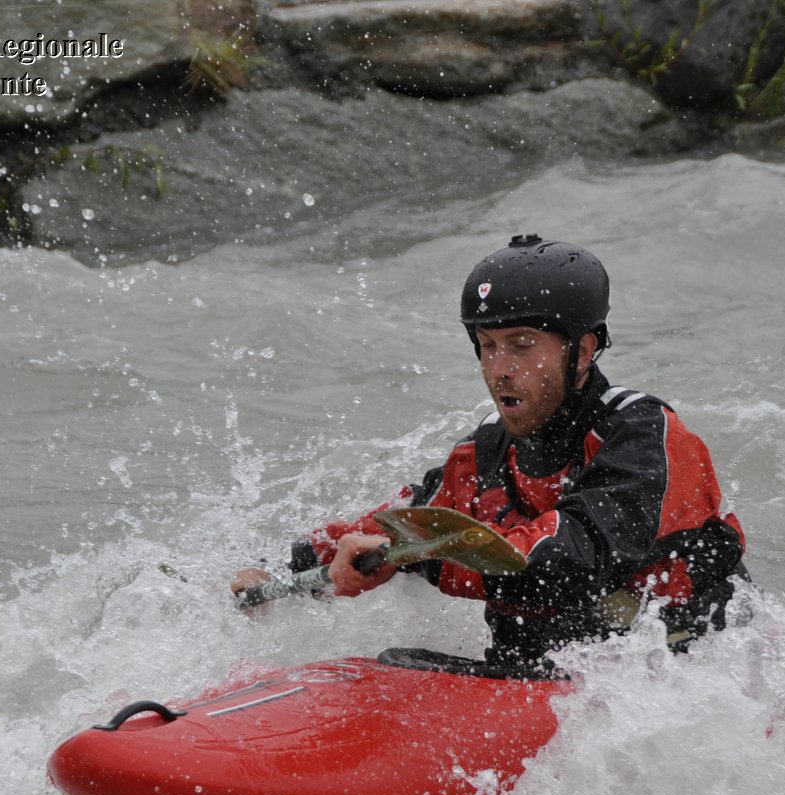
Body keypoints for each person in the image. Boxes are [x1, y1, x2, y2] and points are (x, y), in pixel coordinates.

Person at [231, 234, 748, 670]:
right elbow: (404, 519)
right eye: (487, 345)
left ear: (583, 351)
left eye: (522, 345)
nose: (499, 368)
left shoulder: (646, 437)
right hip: (549, 682)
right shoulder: (484, 454)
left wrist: (413, 555)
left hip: (681, 677)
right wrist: (280, 567)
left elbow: (567, 561)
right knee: (397, 663)